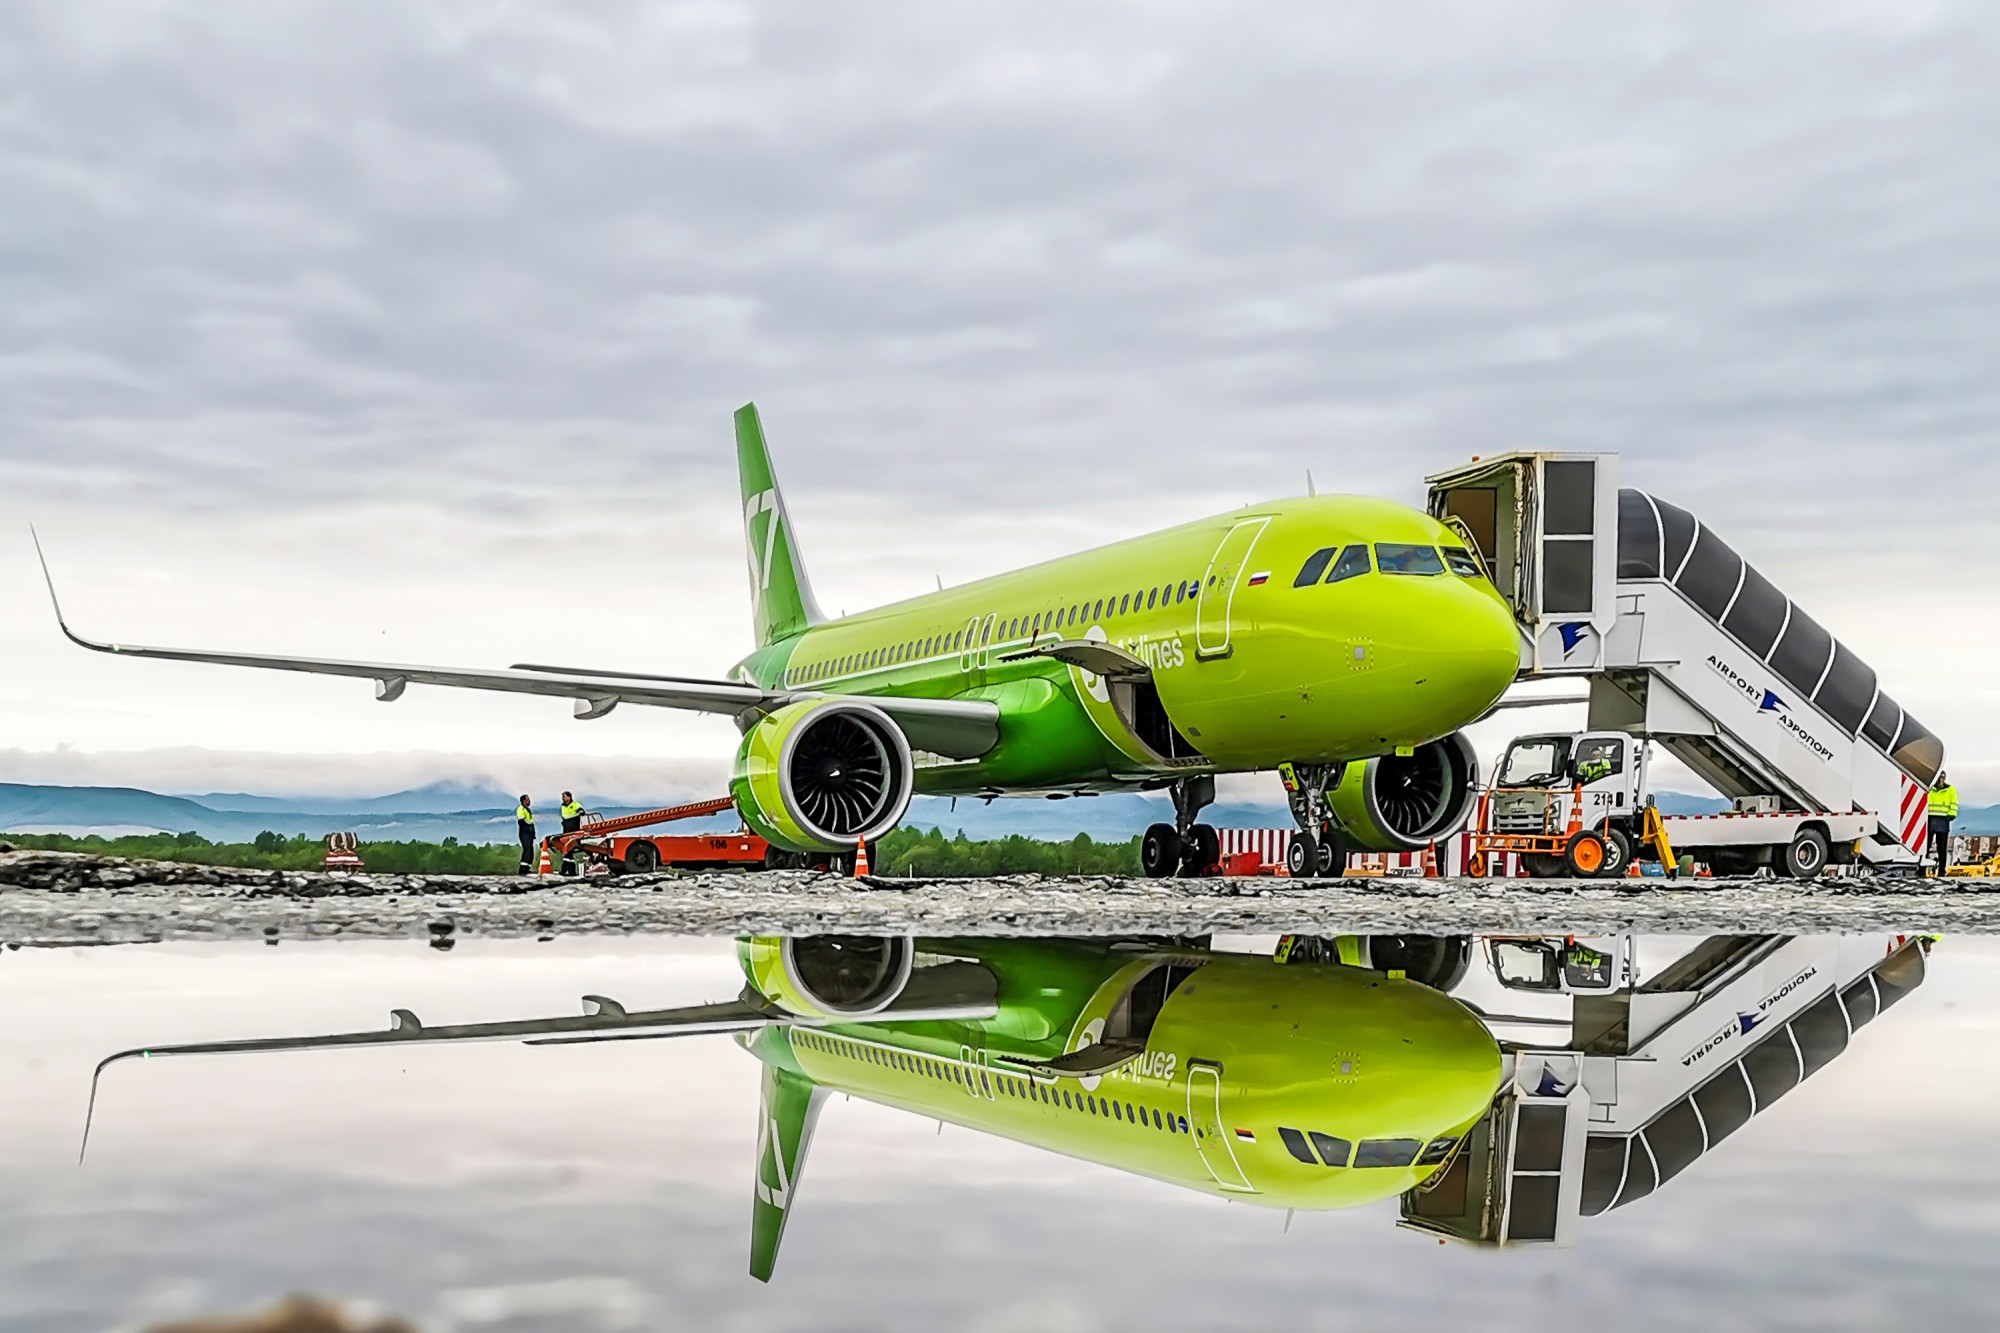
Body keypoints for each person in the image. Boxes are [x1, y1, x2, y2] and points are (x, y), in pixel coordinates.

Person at [1929, 771, 1959, 877]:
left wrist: (1951, 814)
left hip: (1942, 820)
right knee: (1926, 847)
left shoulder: (1950, 790)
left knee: (1941, 848)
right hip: (1930, 819)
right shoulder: (1929, 789)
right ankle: (1922, 868)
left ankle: (1941, 870)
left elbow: (1954, 803)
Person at [558, 790, 586, 875]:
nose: (563, 798)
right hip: (566, 831)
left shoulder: (575, 804)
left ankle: (565, 870)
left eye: (564, 796)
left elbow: (581, 810)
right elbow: (564, 816)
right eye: (562, 796)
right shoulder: (563, 806)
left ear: (569, 797)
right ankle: (572, 871)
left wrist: (580, 812)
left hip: (574, 830)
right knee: (568, 852)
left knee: (569, 851)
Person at [515, 795, 536, 876]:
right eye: (528, 800)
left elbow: (531, 822)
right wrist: (528, 829)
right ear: (524, 800)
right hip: (524, 832)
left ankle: (527, 867)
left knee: (530, 850)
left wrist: (533, 832)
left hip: (529, 833)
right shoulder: (521, 809)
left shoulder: (527, 810)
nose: (529, 801)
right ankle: (523, 868)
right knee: (527, 849)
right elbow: (521, 821)